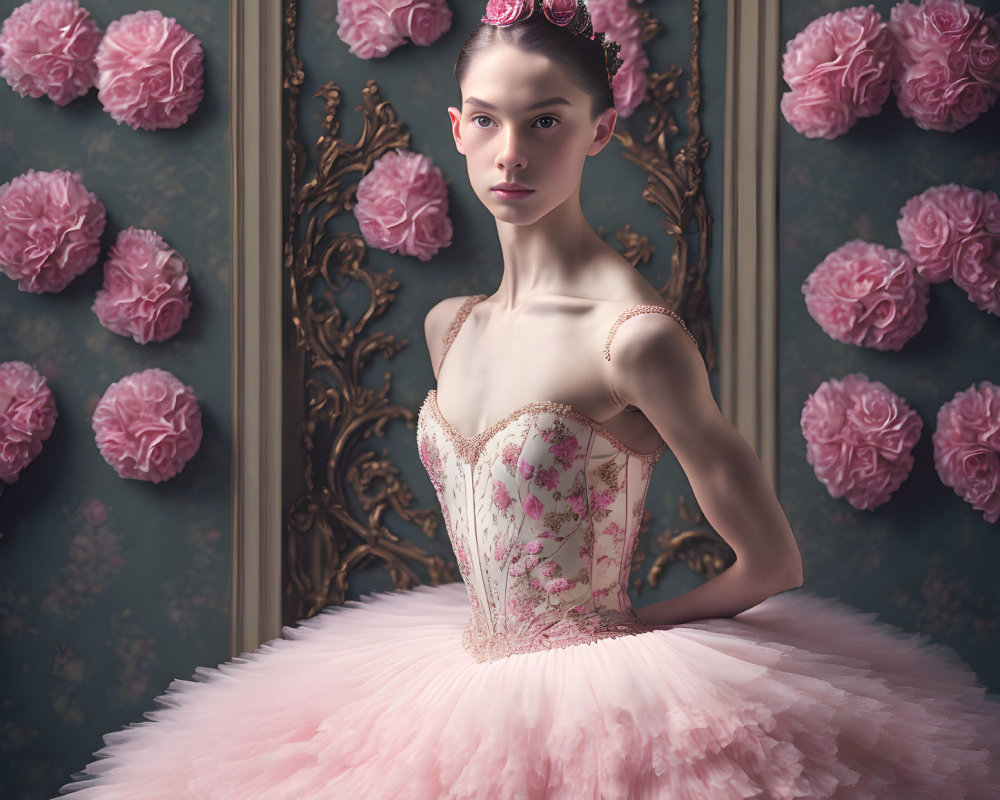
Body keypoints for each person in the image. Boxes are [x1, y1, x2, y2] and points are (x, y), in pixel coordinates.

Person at [60, 1, 1000, 797]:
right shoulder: (448, 325)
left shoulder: (634, 337)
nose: (511, 153)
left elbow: (772, 561)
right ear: (459, 128)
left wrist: (627, 631)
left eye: (546, 121)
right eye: (486, 119)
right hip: (448, 679)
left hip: (602, 701)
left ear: (600, 130)